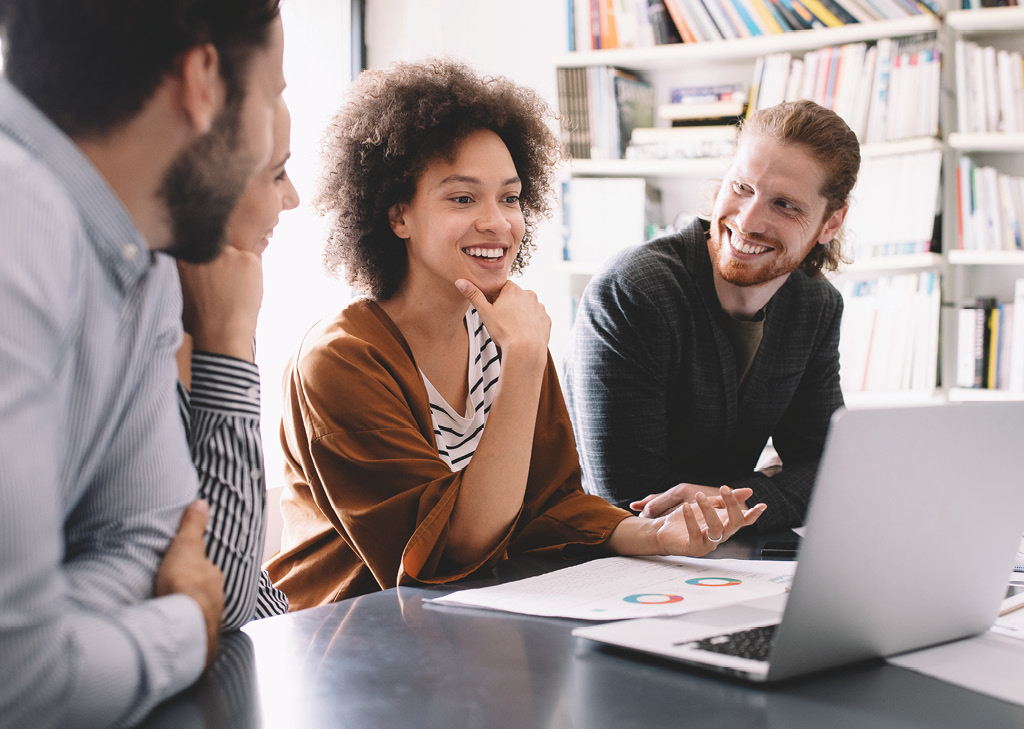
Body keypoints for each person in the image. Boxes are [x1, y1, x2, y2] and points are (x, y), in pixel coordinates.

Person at [265, 59, 766, 610]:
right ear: (398, 215)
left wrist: (654, 533)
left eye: (509, 197)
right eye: (462, 198)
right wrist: (524, 360)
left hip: (476, 622)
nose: (498, 223)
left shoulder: (504, 334)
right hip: (350, 642)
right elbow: (448, 553)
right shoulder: (340, 361)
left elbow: (549, 504)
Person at [0, 1, 285, 727]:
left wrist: (60, 625)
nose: (268, 148)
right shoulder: (15, 218)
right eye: (273, 92)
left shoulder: (144, 263)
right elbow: (21, 679)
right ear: (202, 82)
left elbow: (155, 540)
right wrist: (186, 624)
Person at [563, 99, 859, 532]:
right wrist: (768, 488)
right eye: (741, 188)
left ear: (831, 224)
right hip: (602, 567)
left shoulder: (814, 307)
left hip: (726, 560)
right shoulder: (634, 291)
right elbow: (630, 503)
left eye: (784, 205)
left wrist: (728, 503)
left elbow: (828, 470)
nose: (748, 221)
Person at [175, 97, 301, 622]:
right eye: (277, 175)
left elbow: (246, 583)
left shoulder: (219, 297)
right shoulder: (209, 321)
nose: (292, 198)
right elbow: (223, 599)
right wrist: (229, 337)